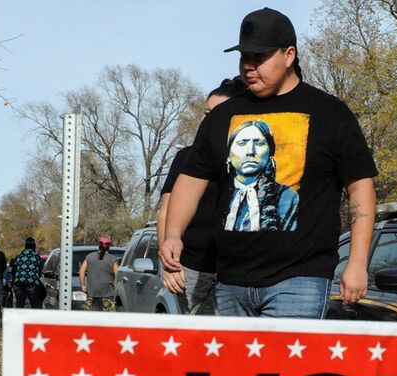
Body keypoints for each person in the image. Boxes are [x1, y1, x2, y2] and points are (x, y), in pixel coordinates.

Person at [159, 7, 377, 319]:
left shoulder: (330, 113)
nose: (249, 66)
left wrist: (356, 263)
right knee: (232, 370)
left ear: (289, 55)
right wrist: (173, 234)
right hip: (230, 280)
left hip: (300, 279)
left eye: (259, 57)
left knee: (288, 368)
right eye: (244, 57)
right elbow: (191, 180)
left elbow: (360, 189)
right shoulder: (221, 116)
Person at [158, 77, 247, 314]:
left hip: (236, 271)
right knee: (195, 341)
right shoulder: (186, 157)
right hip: (191, 267)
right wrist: (167, 265)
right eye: (206, 113)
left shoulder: (249, 159)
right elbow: (165, 210)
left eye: (218, 113)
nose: (210, 120)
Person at [224, 119, 299, 232]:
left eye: (259, 143)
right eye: (242, 143)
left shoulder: (287, 196)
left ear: (270, 153)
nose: (250, 151)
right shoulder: (216, 191)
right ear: (229, 154)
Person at [79, 235, 119, 311]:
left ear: (99, 245)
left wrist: (83, 285)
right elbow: (118, 276)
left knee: (91, 319)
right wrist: (116, 288)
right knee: (108, 320)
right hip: (108, 294)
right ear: (109, 246)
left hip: (91, 293)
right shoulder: (113, 259)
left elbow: (82, 271)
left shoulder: (89, 257)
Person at [13, 237, 44, 309]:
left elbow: (14, 269)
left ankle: (19, 318)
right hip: (32, 282)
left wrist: (15, 279)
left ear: (25, 245)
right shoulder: (36, 256)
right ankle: (34, 318)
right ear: (34, 246)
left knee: (20, 304)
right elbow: (40, 270)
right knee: (35, 304)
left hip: (19, 282)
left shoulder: (19, 255)